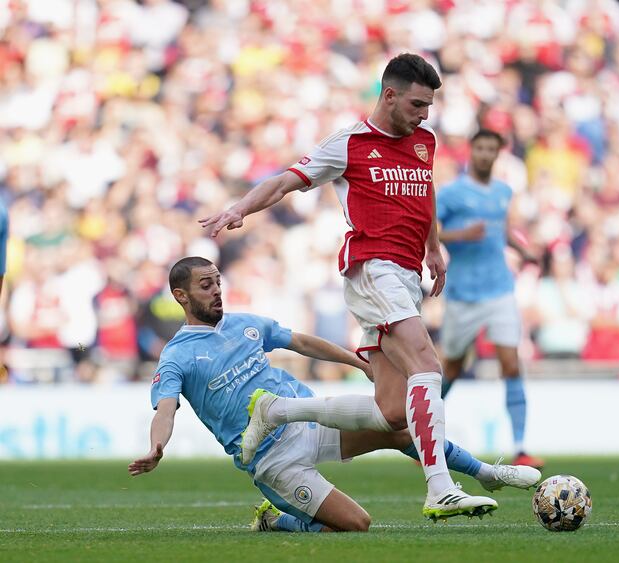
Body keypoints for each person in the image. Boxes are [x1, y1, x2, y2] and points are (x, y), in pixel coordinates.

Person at [200, 53, 493, 518]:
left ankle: (276, 411)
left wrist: (433, 248)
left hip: (406, 275)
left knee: (393, 412)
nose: (424, 115)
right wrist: (240, 208)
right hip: (372, 269)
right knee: (427, 365)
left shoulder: (424, 142)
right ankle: (440, 487)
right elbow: (282, 183)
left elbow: (425, 190)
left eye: (429, 107)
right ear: (389, 95)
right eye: (417, 104)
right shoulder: (350, 144)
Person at [129, 257, 541, 532]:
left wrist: (356, 362)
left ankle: (487, 473)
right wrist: (155, 447)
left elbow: (303, 343)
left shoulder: (245, 324)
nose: (217, 291)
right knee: (354, 524)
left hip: (308, 423)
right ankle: (275, 519)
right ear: (181, 296)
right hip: (272, 460)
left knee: (399, 426)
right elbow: (166, 409)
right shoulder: (177, 356)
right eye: (206, 286)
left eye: (218, 282)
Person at [436, 129, 544, 468]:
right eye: (480, 148)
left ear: (497, 154)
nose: (484, 155)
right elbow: (429, 230)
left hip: (499, 288)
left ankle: (521, 447)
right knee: (452, 365)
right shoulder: (451, 193)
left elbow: (502, 229)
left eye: (490, 150)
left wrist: (522, 251)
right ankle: (423, 435)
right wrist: (460, 235)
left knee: (511, 363)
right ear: (472, 151)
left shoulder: (503, 192)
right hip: (463, 293)